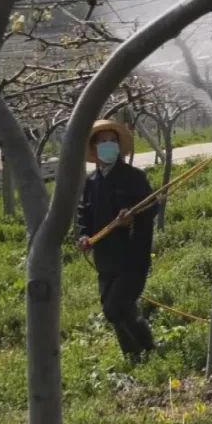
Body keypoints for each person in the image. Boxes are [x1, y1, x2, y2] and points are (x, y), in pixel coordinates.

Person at [76, 119, 158, 362]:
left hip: (132, 258)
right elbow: (83, 215)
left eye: (112, 141)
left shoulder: (134, 177)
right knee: (123, 308)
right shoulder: (91, 183)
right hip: (105, 259)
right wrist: (82, 236)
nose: (108, 145)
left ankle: (140, 352)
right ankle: (141, 353)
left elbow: (152, 208)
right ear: (94, 148)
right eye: (103, 142)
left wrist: (132, 218)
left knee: (113, 308)